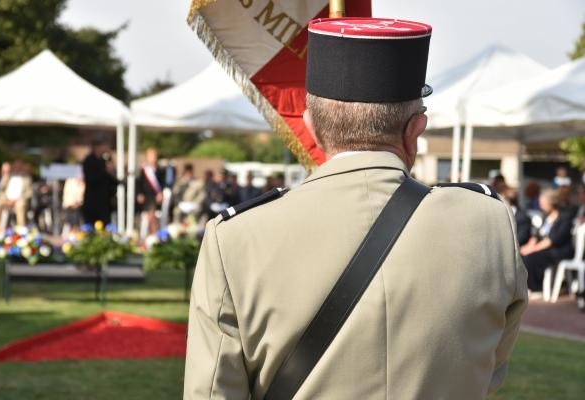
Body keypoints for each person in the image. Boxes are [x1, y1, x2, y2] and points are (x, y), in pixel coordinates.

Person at [184, 17, 527, 400]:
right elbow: (489, 370)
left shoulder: (235, 239)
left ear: (311, 126)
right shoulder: (489, 223)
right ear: (416, 130)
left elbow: (213, 392)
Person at [521, 189, 574, 292]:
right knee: (523, 255)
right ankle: (526, 287)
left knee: (532, 258)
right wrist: (528, 247)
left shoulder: (564, 217)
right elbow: (536, 235)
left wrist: (533, 249)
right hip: (545, 248)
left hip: (559, 250)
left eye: (543, 203)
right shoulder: (545, 216)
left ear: (552, 203)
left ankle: (537, 288)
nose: (541, 206)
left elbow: (554, 239)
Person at [0, 160, 33, 231]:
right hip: (7, 200)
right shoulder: (8, 176)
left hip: (19, 200)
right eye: (16, 166)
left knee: (20, 205)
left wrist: (19, 199)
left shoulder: (26, 178)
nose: (17, 168)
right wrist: (6, 199)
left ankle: (21, 229)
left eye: (19, 167)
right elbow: (0, 190)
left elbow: (29, 192)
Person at [82, 139, 115, 226]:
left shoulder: (103, 161)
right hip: (92, 200)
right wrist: (105, 171)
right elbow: (91, 178)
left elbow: (110, 180)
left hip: (103, 201)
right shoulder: (89, 160)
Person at [136, 148, 164, 235]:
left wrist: (161, 193)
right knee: (149, 215)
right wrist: (139, 193)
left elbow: (162, 183)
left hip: (155, 197)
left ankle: (154, 234)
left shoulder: (160, 170)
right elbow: (139, 182)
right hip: (146, 196)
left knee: (153, 214)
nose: (153, 158)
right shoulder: (143, 170)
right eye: (151, 156)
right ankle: (152, 233)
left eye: (154, 156)